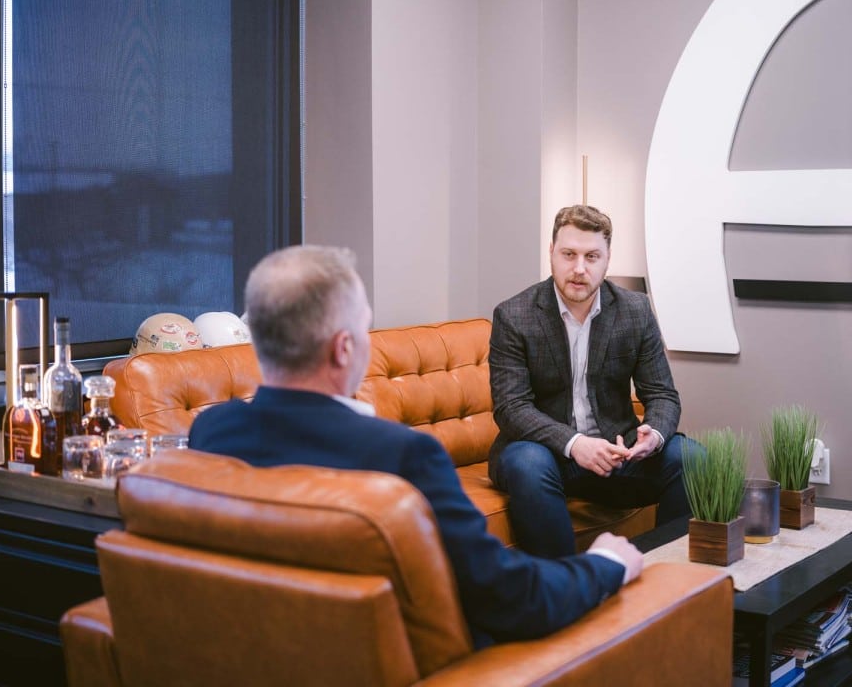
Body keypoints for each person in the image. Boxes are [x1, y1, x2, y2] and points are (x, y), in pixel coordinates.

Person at [189, 244, 643, 649]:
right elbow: (512, 600)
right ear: (344, 349)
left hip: (260, 653)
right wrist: (605, 563)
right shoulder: (402, 455)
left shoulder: (211, 432)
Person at [488, 204, 696, 558]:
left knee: (691, 457)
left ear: (607, 259)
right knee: (528, 462)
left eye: (592, 256)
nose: (579, 269)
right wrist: (575, 444)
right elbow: (511, 407)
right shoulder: (514, 315)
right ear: (551, 253)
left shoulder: (635, 310)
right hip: (545, 453)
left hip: (617, 452)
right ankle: (566, 582)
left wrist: (654, 436)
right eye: (569, 254)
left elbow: (662, 394)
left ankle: (661, 572)